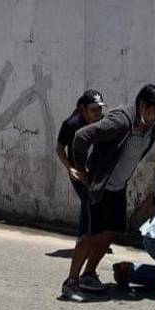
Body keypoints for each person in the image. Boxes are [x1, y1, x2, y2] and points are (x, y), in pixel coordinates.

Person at [60, 84, 155, 302]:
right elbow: (81, 137)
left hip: (118, 188)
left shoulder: (151, 132)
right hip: (99, 187)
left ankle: (89, 275)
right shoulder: (121, 121)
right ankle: (70, 282)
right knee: (90, 235)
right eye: (154, 111)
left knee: (109, 234)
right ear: (142, 105)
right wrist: (82, 170)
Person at [56, 89, 106, 237]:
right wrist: (69, 168)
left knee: (99, 202)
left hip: (96, 170)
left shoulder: (104, 122)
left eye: (100, 108)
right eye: (93, 109)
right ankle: (83, 239)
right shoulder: (71, 124)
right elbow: (59, 149)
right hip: (78, 171)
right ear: (83, 110)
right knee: (87, 200)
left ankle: (95, 238)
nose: (97, 113)